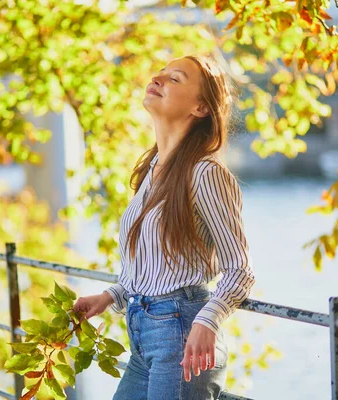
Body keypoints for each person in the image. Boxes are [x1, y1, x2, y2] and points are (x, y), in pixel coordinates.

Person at [73, 53, 255, 400]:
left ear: (200, 108)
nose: (158, 78)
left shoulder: (206, 173)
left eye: (175, 79)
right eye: (160, 73)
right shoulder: (153, 169)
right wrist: (111, 295)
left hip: (184, 336)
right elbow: (156, 266)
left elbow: (240, 270)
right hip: (143, 338)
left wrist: (208, 320)